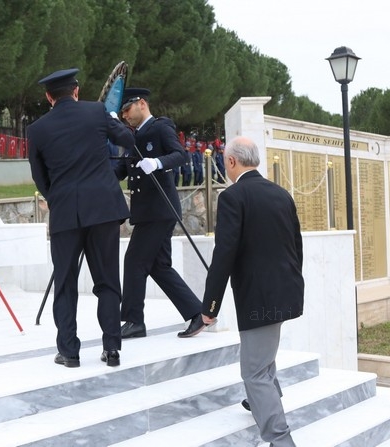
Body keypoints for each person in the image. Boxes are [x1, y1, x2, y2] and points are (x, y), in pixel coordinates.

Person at [27, 68, 135, 368]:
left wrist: (55, 197)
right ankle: (112, 348)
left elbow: (39, 176)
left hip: (65, 213)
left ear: (49, 97)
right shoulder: (97, 111)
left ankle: (70, 352)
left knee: (65, 284)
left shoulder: (37, 129)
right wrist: (111, 120)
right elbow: (127, 138)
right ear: (76, 91)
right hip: (103, 209)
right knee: (108, 282)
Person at [201, 136, 304, 446]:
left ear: (232, 162)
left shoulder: (234, 197)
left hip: (260, 296)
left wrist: (211, 306)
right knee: (264, 359)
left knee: (254, 371)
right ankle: (257, 401)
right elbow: (296, 245)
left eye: (224, 161)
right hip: (285, 289)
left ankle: (280, 438)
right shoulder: (281, 193)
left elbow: (224, 254)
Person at [115, 87, 206, 339]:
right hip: (148, 211)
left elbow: (180, 155)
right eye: (121, 112)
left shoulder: (160, 127)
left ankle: (134, 321)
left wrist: (157, 163)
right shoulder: (132, 137)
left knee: (134, 261)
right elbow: (121, 170)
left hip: (159, 208)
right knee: (159, 266)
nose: (124, 115)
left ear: (142, 104)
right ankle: (197, 313)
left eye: (127, 109)